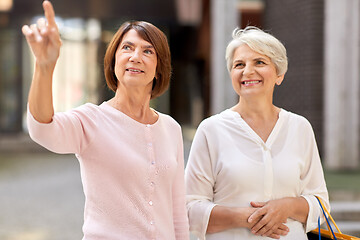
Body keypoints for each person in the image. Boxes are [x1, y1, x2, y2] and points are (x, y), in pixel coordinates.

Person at [22, 1, 189, 239]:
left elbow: (178, 213)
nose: (135, 56)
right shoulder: (91, 120)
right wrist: (45, 67)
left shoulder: (171, 129)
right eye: (127, 48)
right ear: (113, 61)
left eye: (148, 51)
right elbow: (42, 129)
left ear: (159, 68)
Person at [185, 26, 329, 240]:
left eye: (259, 62)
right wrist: (250, 216)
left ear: (279, 74)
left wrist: (287, 207)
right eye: (239, 64)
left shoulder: (300, 127)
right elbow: (190, 208)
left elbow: (321, 204)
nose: (248, 71)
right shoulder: (211, 130)